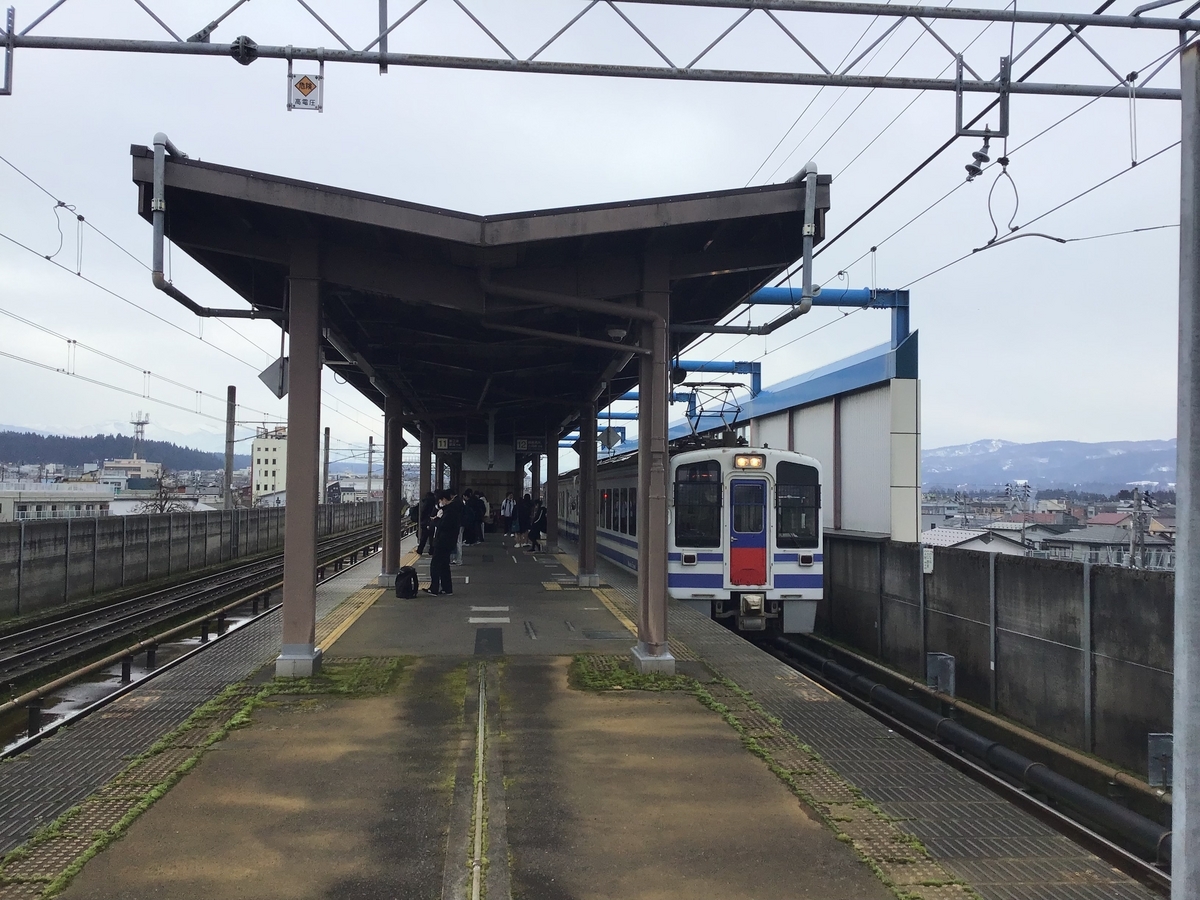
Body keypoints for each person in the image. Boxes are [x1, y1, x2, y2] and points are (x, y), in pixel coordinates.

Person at [427, 490, 460, 595]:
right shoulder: (451, 509)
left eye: (441, 500)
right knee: (444, 565)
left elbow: (443, 525)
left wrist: (435, 520)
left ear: (445, 500)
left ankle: (434, 588)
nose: (440, 502)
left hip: (443, 542)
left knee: (435, 565)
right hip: (448, 542)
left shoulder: (450, 511)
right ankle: (447, 588)